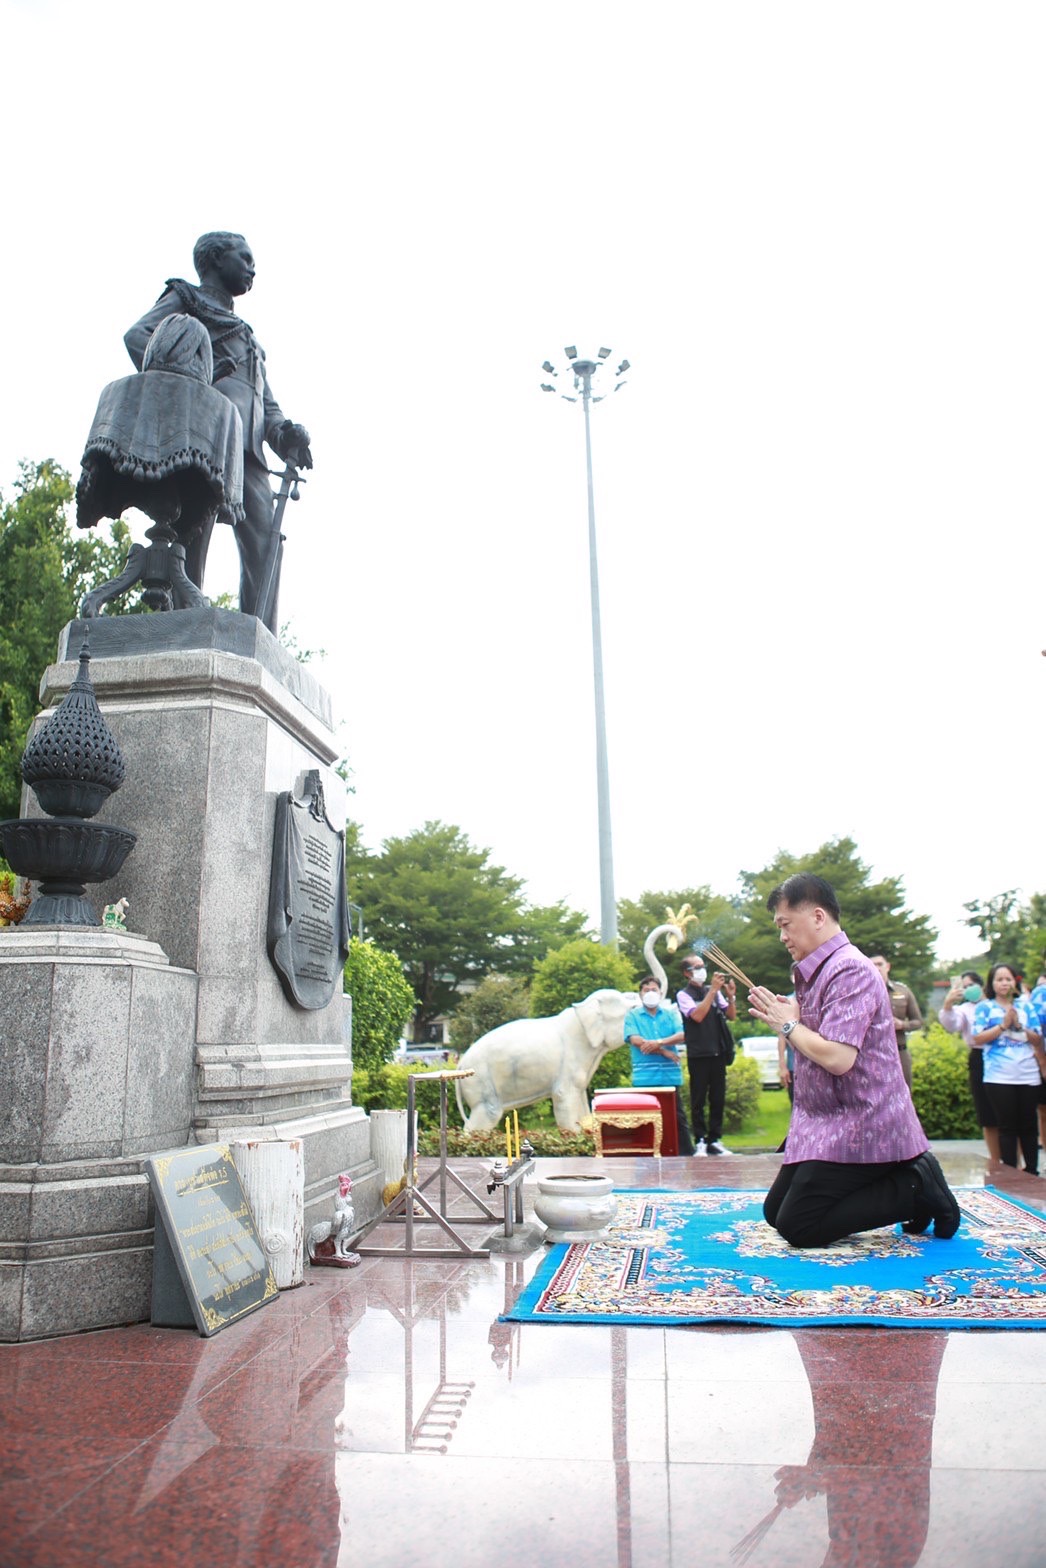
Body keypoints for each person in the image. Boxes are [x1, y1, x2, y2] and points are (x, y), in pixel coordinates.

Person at [747, 873, 960, 1247]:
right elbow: (816, 1035)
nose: (782, 936)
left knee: (799, 1226)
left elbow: (838, 1057)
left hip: (864, 1120)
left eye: (785, 924)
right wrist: (794, 1018)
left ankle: (916, 1184)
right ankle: (903, 1178)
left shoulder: (849, 968)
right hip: (825, 1119)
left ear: (817, 917)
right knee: (776, 1212)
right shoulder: (816, 971)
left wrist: (788, 1025)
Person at [125, 232, 312, 632]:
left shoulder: (247, 336)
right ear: (214, 259)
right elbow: (138, 337)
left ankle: (258, 637)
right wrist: (194, 381)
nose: (252, 268)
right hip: (204, 434)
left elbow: (265, 403)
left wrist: (284, 434)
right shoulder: (186, 300)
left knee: (266, 543)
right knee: (193, 534)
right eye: (244, 258)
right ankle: (182, 625)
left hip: (249, 452)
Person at [971, 964, 1046, 1174]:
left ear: (1015, 982)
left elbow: (1037, 1039)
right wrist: (1003, 1025)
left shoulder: (1026, 1007)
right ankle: (1010, 1171)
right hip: (999, 1075)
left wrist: (1020, 1026)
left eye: (1008, 979)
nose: (1004, 983)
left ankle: (1032, 1171)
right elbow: (978, 1038)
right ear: (992, 983)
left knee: (1028, 1125)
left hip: (1027, 1074)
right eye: (999, 979)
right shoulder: (985, 1007)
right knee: (1007, 1126)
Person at [623, 977, 696, 1155]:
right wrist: (663, 1051)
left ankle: (686, 1154)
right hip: (645, 1077)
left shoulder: (670, 1014)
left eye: (654, 989)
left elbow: (682, 1035)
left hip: (669, 1076)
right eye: (646, 990)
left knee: (677, 1116)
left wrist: (659, 1042)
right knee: (644, 1118)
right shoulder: (633, 1016)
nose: (650, 993)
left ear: (660, 993)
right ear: (640, 994)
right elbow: (635, 1040)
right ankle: (646, 1153)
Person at [939, 970, 1000, 1164]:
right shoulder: (964, 1009)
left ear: (981, 985)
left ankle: (1015, 1162)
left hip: (1002, 1055)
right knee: (987, 1113)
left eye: (971, 985)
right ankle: (995, 1162)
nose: (968, 990)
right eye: (964, 987)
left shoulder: (996, 1004)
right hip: (979, 1057)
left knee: (1008, 1114)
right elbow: (952, 1025)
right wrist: (948, 1004)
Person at [677, 957, 736, 1155]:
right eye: (697, 967)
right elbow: (697, 1016)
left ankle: (715, 1139)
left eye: (703, 967)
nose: (702, 970)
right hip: (698, 1053)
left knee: (718, 1097)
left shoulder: (714, 991)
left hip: (718, 1051)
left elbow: (731, 1015)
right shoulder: (684, 995)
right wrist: (712, 991)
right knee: (699, 1098)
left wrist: (731, 997)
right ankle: (700, 1139)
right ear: (687, 973)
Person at [869, 955, 923, 1090]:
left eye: (880, 964)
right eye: (873, 964)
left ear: (887, 967)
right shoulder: (862, 991)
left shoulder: (902, 991)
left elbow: (918, 1021)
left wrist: (902, 1024)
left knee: (905, 1093)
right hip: (872, 1054)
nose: (877, 968)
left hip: (899, 1052)